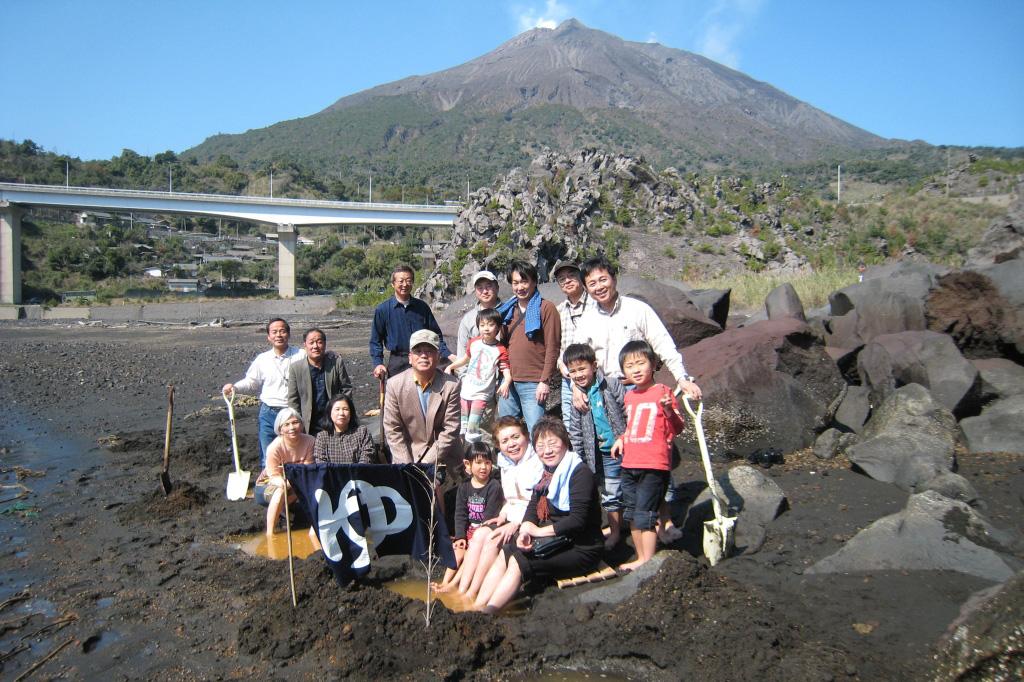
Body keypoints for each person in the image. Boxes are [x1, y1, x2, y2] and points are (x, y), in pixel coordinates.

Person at [572, 255, 701, 543]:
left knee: (655, 456)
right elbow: (573, 357)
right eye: (591, 283)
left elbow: (663, 344)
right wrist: (576, 386)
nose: (598, 286)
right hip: (606, 395)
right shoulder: (588, 318)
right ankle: (626, 527)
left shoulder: (637, 309)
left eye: (602, 279)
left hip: (640, 392)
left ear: (614, 277)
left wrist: (682, 378)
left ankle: (665, 522)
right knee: (615, 458)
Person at [473, 417, 603, 613]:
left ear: (565, 442)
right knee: (507, 551)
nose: (547, 451)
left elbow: (578, 521)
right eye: (541, 446)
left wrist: (538, 532)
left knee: (520, 561)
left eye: (552, 443)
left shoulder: (579, 473)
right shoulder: (548, 472)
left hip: (582, 547)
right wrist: (526, 528)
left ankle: (487, 613)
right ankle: (475, 606)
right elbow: (533, 505)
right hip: (559, 540)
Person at [439, 417, 543, 597]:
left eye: (515, 437)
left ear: (526, 436)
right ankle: (463, 589)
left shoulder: (536, 462)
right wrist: (502, 515)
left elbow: (535, 502)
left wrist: (515, 523)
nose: (511, 444)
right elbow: (510, 499)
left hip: (529, 521)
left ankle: (472, 592)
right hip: (510, 517)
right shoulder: (506, 462)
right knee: (479, 534)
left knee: (491, 540)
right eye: (505, 441)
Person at [610, 340, 686, 572]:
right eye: (629, 366)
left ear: (653, 364)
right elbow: (633, 426)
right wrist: (621, 439)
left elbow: (678, 427)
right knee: (632, 512)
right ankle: (641, 557)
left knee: (647, 513)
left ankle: (648, 560)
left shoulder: (663, 392)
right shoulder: (630, 396)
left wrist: (667, 410)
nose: (636, 369)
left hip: (654, 464)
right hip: (630, 462)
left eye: (641, 363)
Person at [564, 343, 627, 550]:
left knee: (617, 489)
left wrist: (625, 436)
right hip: (596, 453)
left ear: (594, 365)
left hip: (618, 447)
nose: (578, 374)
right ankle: (615, 527)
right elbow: (575, 432)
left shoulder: (610, 384)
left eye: (582, 369)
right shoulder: (578, 397)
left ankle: (618, 531)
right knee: (608, 491)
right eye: (573, 371)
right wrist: (579, 458)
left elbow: (627, 409)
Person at [222, 318, 304, 468]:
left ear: (288, 334)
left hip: (293, 412)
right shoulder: (263, 359)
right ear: (269, 337)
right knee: (268, 456)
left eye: (282, 331)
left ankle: (292, 487)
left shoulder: (301, 355)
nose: (279, 335)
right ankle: (268, 487)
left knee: (295, 452)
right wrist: (234, 387)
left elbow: (317, 360)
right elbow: (251, 382)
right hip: (269, 412)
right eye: (274, 332)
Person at [495, 260, 561, 434]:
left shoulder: (546, 308)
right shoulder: (507, 310)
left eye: (524, 281)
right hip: (509, 380)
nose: (520, 287)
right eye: (515, 283)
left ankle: (541, 462)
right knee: (506, 430)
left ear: (533, 282)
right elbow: (502, 344)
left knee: (536, 432)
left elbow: (553, 347)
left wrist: (545, 381)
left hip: (534, 382)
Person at [382, 329, 461, 467]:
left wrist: (425, 464)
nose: (423, 355)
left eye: (429, 351)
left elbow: (450, 429)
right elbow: (392, 429)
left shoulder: (452, 385)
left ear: (438, 356)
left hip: (443, 458)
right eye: (418, 351)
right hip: (407, 457)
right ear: (410, 358)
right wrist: (408, 467)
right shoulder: (394, 385)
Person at [437, 441, 505, 588]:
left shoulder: (494, 487)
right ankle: (444, 582)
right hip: (468, 531)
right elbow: (460, 513)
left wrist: (473, 539)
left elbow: (489, 516)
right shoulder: (464, 487)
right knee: (458, 552)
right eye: (479, 462)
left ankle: (452, 585)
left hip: (483, 532)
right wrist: (460, 536)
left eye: (487, 462)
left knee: (469, 555)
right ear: (467, 465)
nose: (483, 467)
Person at [370, 264, 450, 379]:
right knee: (397, 394)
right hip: (398, 362)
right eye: (401, 281)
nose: (404, 284)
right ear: (393, 284)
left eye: (408, 281)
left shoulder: (422, 307)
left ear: (412, 283)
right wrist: (378, 363)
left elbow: (436, 335)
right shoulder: (383, 310)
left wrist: (447, 355)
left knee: (425, 394)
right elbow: (375, 341)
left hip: (422, 358)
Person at [445, 307, 512, 442]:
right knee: (463, 425)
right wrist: (451, 366)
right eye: (482, 325)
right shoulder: (473, 342)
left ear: (498, 328)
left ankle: (480, 453)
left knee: (473, 427)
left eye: (490, 325)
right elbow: (465, 359)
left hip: (482, 393)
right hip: (467, 390)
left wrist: (506, 382)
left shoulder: (500, 349)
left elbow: (506, 370)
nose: (486, 328)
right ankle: (467, 455)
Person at [254, 408, 315, 536]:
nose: (292, 427)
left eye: (295, 422)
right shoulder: (275, 447)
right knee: (281, 491)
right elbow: (274, 476)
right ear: (280, 429)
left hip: (296, 483)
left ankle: (286, 510)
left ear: (301, 424)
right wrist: (289, 483)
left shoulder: (310, 441)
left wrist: (295, 482)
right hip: (270, 485)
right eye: (286, 424)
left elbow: (308, 470)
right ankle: (270, 533)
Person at [287, 328, 352, 437]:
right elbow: (293, 400)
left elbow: (346, 389)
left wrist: (342, 412)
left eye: (319, 342)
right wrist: (297, 423)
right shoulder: (295, 368)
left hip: (332, 421)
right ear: (305, 345)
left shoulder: (336, 363)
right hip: (308, 424)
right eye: (311, 342)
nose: (315, 346)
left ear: (325, 344)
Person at [552, 260, 590, 425]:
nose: (567, 281)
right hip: (568, 377)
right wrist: (560, 364)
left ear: (581, 277)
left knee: (600, 421)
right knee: (570, 423)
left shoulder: (596, 304)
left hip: (594, 374)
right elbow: (555, 344)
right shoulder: (558, 310)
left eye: (571, 276)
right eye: (562, 279)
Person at [451, 270, 502, 368]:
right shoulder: (468, 319)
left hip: (505, 377)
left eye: (489, 286)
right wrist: (465, 378)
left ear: (497, 288)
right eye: (480, 288)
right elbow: (462, 355)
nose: (485, 291)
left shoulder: (509, 312)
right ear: (475, 291)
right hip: (477, 378)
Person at [313, 395, 375, 465]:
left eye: (345, 409)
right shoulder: (322, 437)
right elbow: (321, 463)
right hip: (331, 475)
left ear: (351, 413)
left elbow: (367, 456)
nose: (341, 413)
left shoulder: (362, 432)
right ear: (330, 413)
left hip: (358, 474)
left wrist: (355, 473)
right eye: (337, 409)